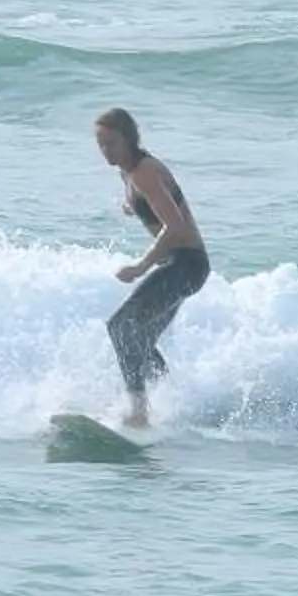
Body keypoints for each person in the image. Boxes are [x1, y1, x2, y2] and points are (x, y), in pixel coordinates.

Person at [95, 107, 209, 427]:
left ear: (129, 139)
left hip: (185, 264)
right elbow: (147, 202)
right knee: (140, 340)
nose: (106, 150)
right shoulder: (129, 173)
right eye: (101, 144)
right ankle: (173, 402)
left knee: (120, 328)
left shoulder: (145, 171)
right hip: (184, 266)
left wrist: (142, 265)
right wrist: (130, 205)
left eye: (112, 143)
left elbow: (174, 224)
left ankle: (139, 412)